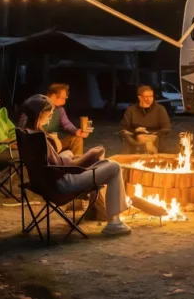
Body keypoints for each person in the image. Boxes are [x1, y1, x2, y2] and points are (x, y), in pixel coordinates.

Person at [21, 94, 131, 236]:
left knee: (105, 163)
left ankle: (99, 211)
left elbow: (54, 163)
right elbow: (59, 167)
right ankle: (114, 223)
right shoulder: (39, 138)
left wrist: (79, 158)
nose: (51, 115)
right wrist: (88, 156)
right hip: (62, 183)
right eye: (50, 112)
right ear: (41, 113)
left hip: (45, 182)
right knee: (114, 167)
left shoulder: (27, 133)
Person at [18, 83, 89, 156]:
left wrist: (76, 131)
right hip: (39, 144)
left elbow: (66, 124)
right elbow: (21, 127)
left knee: (77, 139)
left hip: (54, 143)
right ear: (54, 96)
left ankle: (75, 164)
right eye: (63, 98)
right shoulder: (36, 106)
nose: (64, 101)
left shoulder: (60, 110)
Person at [120, 85, 172, 153]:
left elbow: (167, 127)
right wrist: (135, 131)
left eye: (151, 96)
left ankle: (150, 156)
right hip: (135, 136)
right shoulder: (131, 110)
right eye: (146, 97)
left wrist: (154, 134)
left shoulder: (160, 109)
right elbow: (123, 127)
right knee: (140, 138)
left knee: (146, 143)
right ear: (140, 98)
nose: (149, 99)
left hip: (155, 136)